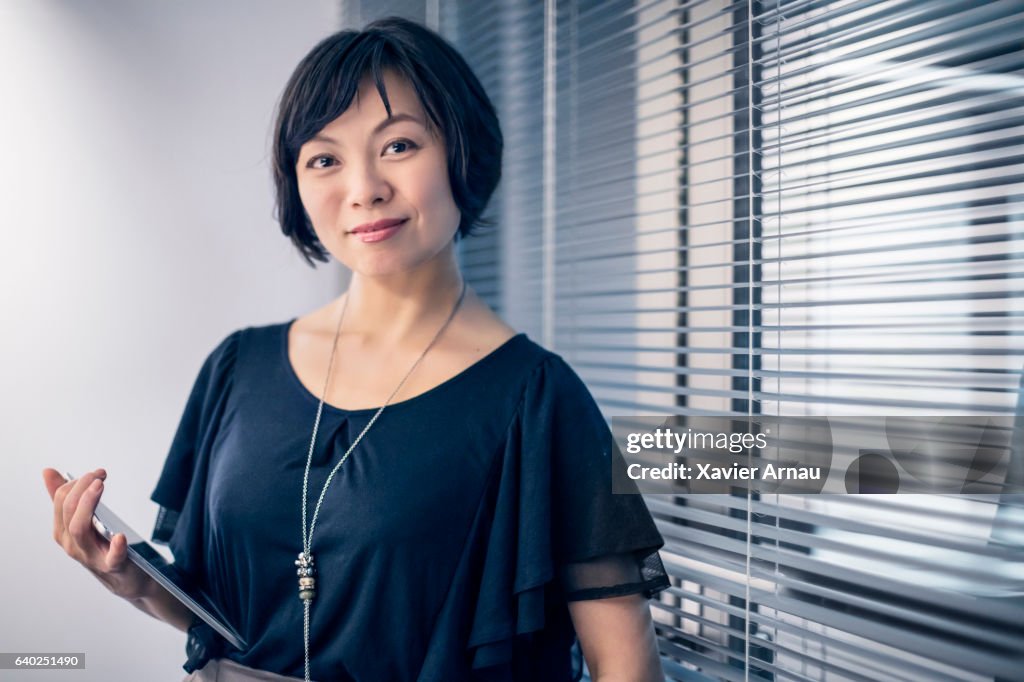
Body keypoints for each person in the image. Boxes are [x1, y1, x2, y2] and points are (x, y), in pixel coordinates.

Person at [43, 16, 669, 682]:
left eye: (399, 145)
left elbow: (624, 664)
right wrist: (127, 580)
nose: (363, 187)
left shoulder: (539, 399)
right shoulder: (237, 369)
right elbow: (224, 618)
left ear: (462, 152)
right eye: (325, 158)